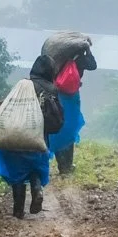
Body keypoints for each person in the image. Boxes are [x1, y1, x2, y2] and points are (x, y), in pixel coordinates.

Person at [31, 43, 97, 178]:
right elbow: (93, 65)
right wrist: (88, 51)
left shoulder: (55, 60)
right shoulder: (80, 60)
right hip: (71, 99)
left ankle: (57, 163)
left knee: (55, 126)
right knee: (69, 129)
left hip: (55, 95)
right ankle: (66, 166)